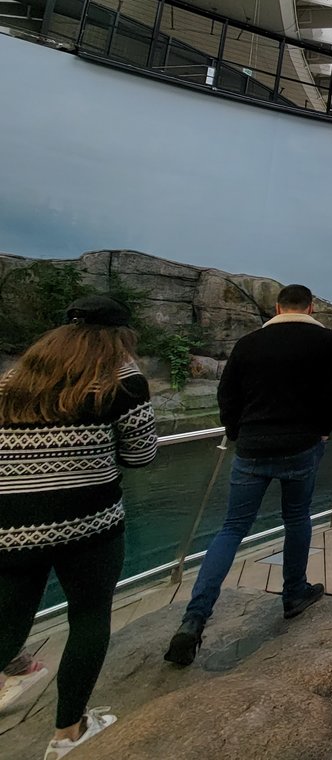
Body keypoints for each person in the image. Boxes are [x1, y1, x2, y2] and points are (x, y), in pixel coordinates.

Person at [0, 295, 157, 758]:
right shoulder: (122, 378)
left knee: (7, 622)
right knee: (89, 617)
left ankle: (18, 674)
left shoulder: (15, 378)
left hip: (10, 524)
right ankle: (68, 732)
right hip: (88, 523)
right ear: (120, 335)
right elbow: (141, 455)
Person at [165, 284, 332, 667]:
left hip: (251, 447)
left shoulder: (249, 343)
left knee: (232, 528)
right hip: (301, 445)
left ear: (277, 308)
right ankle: (294, 594)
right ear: (310, 307)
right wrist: (323, 430)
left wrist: (237, 432)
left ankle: (194, 618)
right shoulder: (327, 342)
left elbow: (227, 395)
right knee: (296, 518)